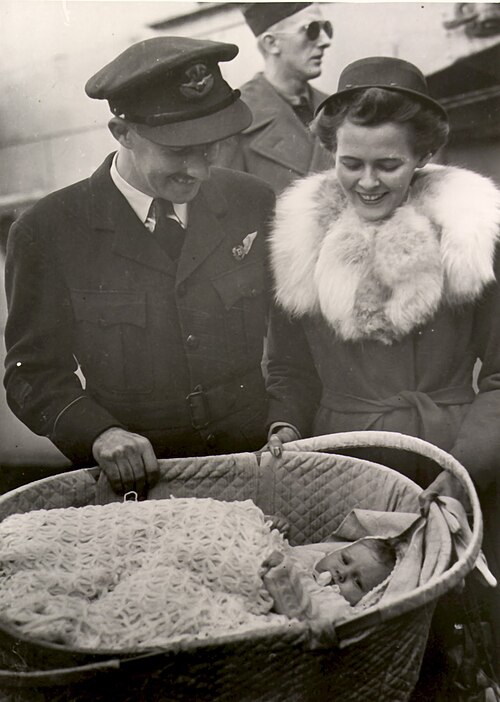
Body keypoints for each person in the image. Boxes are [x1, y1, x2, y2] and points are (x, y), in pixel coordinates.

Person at [265, 55, 500, 687]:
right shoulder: (299, 240)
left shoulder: (469, 233)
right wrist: (284, 422)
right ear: (330, 150)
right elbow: (288, 368)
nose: (367, 182)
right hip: (349, 469)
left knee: (464, 639)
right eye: (351, 163)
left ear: (421, 155)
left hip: (460, 462)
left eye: (388, 165)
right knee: (359, 644)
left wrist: (462, 470)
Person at [4, 37, 276, 496]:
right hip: (141, 485)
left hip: (254, 465)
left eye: (211, 148)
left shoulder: (252, 201)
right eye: (178, 151)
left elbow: (293, 341)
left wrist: (286, 420)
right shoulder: (47, 230)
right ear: (122, 133)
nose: (201, 171)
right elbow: (32, 373)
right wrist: (98, 434)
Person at [217, 2, 333, 194]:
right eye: (311, 30)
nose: (325, 40)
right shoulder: (234, 118)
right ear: (271, 43)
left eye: (327, 28)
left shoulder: (337, 109)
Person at [262, 537, 397, 619]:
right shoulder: (309, 558)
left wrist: (282, 573)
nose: (342, 573)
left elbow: (307, 616)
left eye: (357, 582)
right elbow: (277, 549)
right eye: (344, 560)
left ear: (367, 600)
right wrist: (273, 529)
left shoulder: (338, 608)